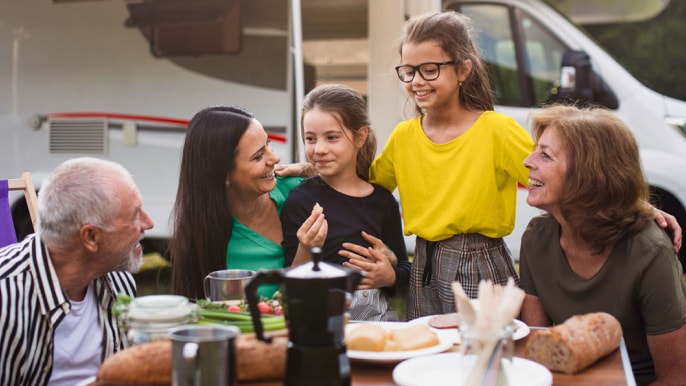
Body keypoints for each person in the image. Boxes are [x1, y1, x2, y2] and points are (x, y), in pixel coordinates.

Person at [368, 11, 533, 320]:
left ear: (463, 70)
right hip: (423, 265)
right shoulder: (404, 136)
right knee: (427, 356)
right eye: (409, 71)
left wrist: (635, 211)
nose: (417, 81)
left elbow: (555, 181)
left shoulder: (497, 129)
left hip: (479, 263)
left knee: (482, 356)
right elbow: (365, 188)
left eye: (430, 70)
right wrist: (308, 174)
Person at [519, 105, 686, 385]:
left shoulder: (649, 251)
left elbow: (675, 377)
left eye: (545, 155)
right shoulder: (536, 239)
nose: (527, 160)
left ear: (588, 174)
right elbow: (538, 352)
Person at [0, 157, 154, 386]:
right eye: (135, 215)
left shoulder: (119, 280)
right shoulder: (6, 298)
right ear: (91, 237)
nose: (148, 223)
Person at [280, 84, 411, 321]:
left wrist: (389, 276)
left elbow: (405, 267)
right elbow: (291, 280)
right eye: (310, 139)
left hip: (376, 328)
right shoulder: (300, 200)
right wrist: (306, 247)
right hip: (319, 325)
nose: (319, 149)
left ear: (360, 136)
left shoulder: (382, 202)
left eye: (332, 137)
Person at [169, 106, 304, 300]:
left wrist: (314, 169)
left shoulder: (297, 190)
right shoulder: (211, 248)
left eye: (269, 144)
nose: (275, 158)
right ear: (224, 175)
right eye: (258, 156)